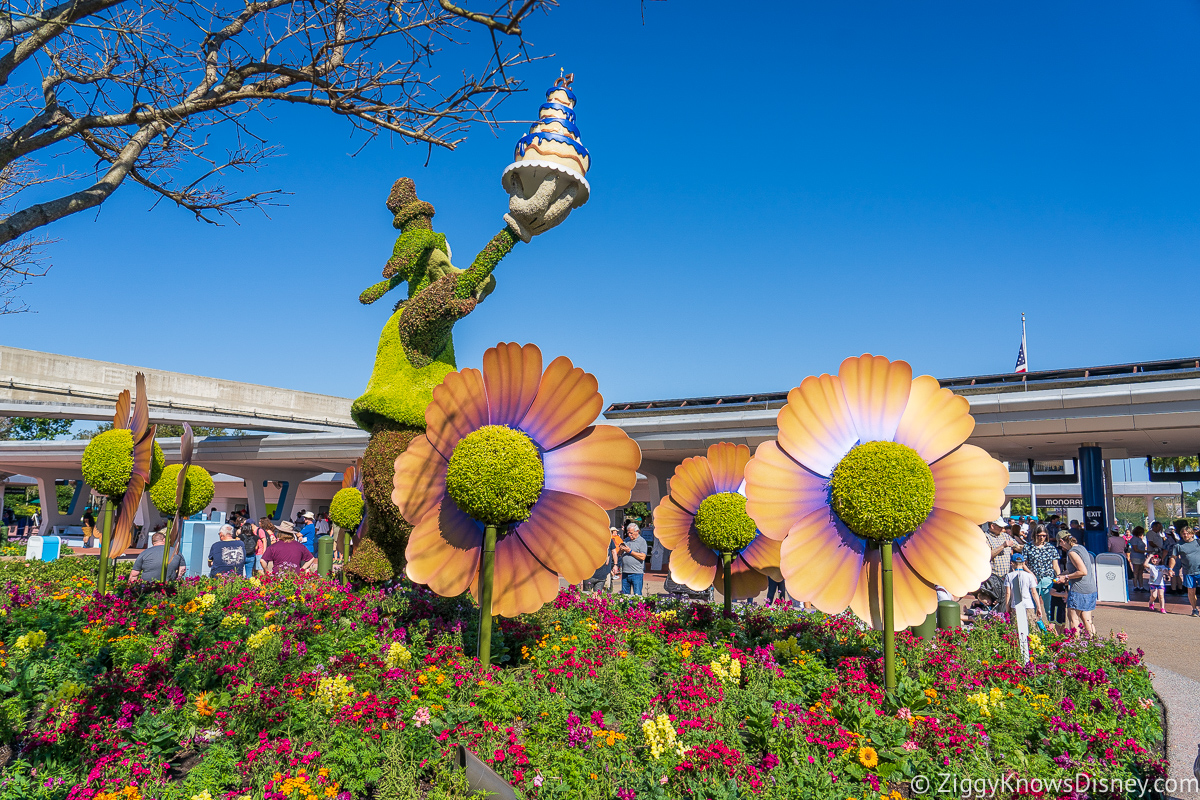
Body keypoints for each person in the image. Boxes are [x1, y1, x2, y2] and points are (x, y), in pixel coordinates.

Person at [1054, 531, 1097, 636]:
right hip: (1090, 588)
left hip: (1079, 589)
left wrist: (1067, 577)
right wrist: (1061, 575)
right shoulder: (1081, 548)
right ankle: (1094, 643)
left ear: (1061, 541)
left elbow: (1082, 571)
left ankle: (1075, 644)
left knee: (1073, 618)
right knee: (1087, 619)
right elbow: (1074, 568)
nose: (1061, 547)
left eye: (1060, 544)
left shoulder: (1072, 552)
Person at [1003, 553, 1046, 628]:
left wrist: (1007, 606)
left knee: (1016, 628)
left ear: (1012, 563)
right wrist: (1038, 607)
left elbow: (1008, 593)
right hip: (1028, 605)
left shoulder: (1009, 576)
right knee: (1031, 627)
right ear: (1023, 563)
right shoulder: (1029, 576)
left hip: (1015, 605)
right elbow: (1034, 592)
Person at [1025, 525, 1058, 621]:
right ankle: (1035, 628)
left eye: (1044, 535)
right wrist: (1031, 573)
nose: (1041, 538)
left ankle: (1052, 628)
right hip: (1033, 579)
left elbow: (1055, 565)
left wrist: (1059, 577)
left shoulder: (1050, 547)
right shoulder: (1028, 547)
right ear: (1035, 535)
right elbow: (1023, 564)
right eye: (1039, 535)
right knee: (1033, 607)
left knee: (1050, 608)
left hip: (1048, 579)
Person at [1168, 526, 1200, 617]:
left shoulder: (1198, 542)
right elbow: (1173, 558)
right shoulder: (1178, 545)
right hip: (1188, 571)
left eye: (1187, 533)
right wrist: (1170, 569)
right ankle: (1194, 609)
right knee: (1191, 591)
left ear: (1192, 534)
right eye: (1183, 533)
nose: (1185, 535)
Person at [617, 522, 647, 595]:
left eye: (631, 533)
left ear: (637, 531)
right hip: (625, 572)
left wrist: (630, 551)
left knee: (637, 595)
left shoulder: (642, 541)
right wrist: (621, 549)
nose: (629, 535)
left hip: (636, 573)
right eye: (628, 533)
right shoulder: (626, 540)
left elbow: (642, 557)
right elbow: (619, 554)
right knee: (624, 595)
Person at [1128, 526, 1148, 592]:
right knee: (1136, 572)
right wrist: (1146, 551)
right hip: (1136, 556)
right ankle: (1135, 586)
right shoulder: (1134, 539)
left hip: (1141, 557)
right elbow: (1135, 549)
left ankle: (1141, 586)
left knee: (1140, 572)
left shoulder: (1139, 539)